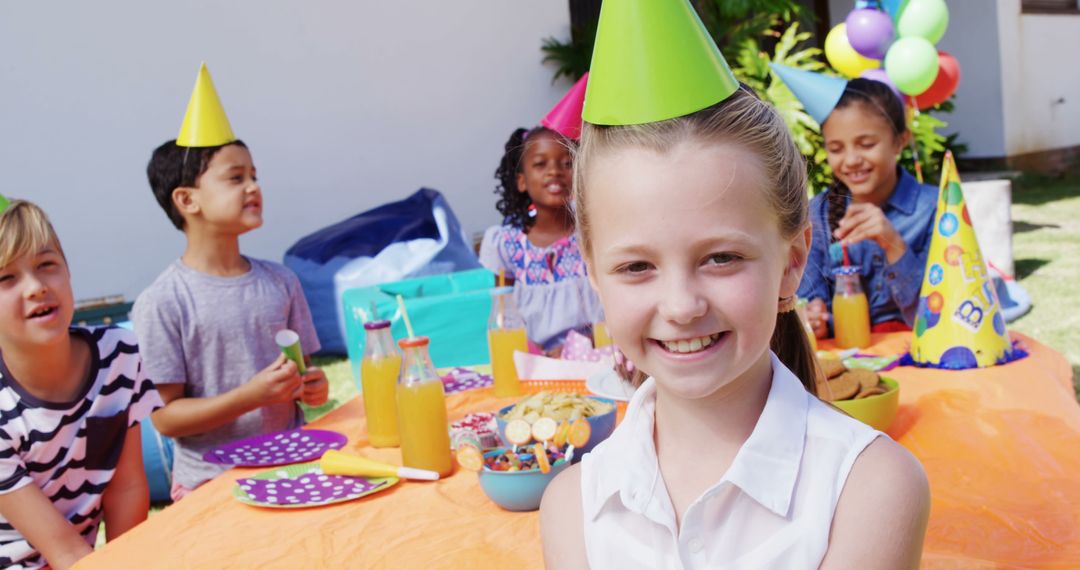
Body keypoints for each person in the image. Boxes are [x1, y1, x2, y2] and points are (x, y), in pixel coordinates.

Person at [539, 2, 930, 567]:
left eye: (721, 257)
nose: (680, 306)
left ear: (793, 261)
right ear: (593, 271)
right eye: (636, 267)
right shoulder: (573, 506)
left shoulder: (868, 488)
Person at [132, 65, 328, 500]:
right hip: (212, 485)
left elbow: (307, 373)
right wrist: (250, 396)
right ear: (187, 200)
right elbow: (166, 418)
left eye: (254, 175)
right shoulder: (163, 301)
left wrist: (313, 386)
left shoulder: (280, 281)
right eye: (235, 178)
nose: (254, 186)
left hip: (295, 465)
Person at [0, 198, 162, 569]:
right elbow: (65, 552)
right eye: (6, 277)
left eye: (46, 265)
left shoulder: (119, 354)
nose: (36, 287)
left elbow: (127, 488)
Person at [795, 78, 939, 339]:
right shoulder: (817, 214)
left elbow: (939, 313)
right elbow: (808, 298)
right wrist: (813, 316)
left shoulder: (935, 209)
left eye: (866, 145)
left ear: (899, 141)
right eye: (836, 149)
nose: (851, 160)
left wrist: (893, 243)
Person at [478, 125, 602, 353]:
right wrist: (536, 353)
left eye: (567, 163)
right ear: (522, 181)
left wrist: (572, 350)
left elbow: (615, 304)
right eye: (540, 164)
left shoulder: (594, 233)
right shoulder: (506, 243)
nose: (555, 171)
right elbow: (502, 317)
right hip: (534, 365)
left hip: (597, 357)